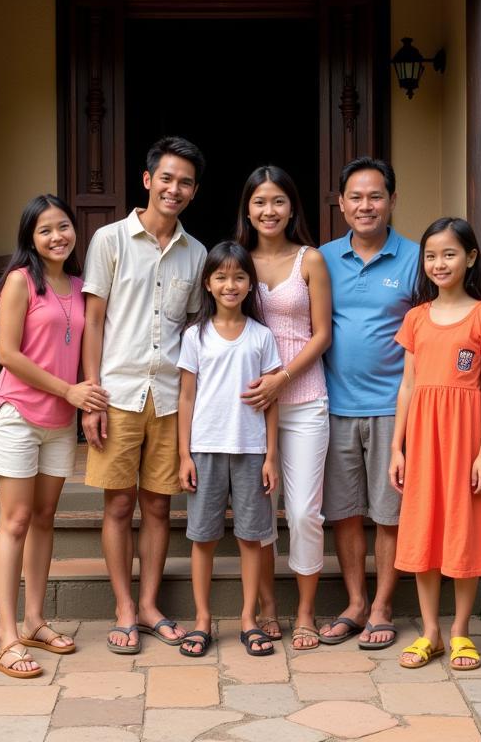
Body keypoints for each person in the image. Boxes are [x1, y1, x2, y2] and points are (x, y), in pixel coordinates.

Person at [81, 136, 207, 654]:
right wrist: (90, 396)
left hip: (170, 397)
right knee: (117, 505)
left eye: (186, 182)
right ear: (147, 179)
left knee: (159, 507)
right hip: (118, 391)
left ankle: (151, 604)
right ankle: (123, 607)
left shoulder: (196, 253)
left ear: (194, 191)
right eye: (167, 178)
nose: (174, 189)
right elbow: (93, 321)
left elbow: (195, 327)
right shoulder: (109, 240)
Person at [0, 194, 109, 678]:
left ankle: (35, 620)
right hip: (18, 413)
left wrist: (82, 400)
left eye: (63, 227)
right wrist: (69, 391)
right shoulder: (19, 282)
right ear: (30, 238)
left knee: (43, 518)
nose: (57, 236)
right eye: (45, 230)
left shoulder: (80, 286)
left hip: (60, 422)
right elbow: (8, 355)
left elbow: (86, 345)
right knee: (14, 521)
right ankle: (5, 636)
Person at [390, 217, 481, 672]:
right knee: (423, 530)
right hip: (422, 440)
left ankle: (460, 632)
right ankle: (430, 633)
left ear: (471, 258)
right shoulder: (416, 318)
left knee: (463, 529)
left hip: (464, 442)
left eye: (449, 253)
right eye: (431, 255)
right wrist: (397, 448)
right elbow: (407, 386)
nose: (439, 263)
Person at [318, 157, 419, 649]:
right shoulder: (321, 258)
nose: (365, 206)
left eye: (375, 196)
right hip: (333, 405)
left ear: (392, 200)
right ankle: (356, 603)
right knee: (344, 511)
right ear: (341, 204)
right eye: (355, 197)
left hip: (392, 409)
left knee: (388, 511)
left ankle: (382, 607)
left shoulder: (418, 258)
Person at [235, 166, 332, 651]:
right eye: (259, 202)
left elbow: (322, 334)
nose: (268, 211)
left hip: (305, 399)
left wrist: (283, 377)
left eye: (277, 201)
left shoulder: (309, 260)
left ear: (292, 207)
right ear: (247, 209)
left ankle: (307, 612)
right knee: (259, 511)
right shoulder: (238, 262)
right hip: (252, 405)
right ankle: (268, 606)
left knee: (303, 511)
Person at [177, 241, 282, 658]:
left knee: (251, 537)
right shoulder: (195, 336)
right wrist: (184, 454)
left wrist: (272, 455)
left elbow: (270, 398)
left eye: (239, 276)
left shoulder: (262, 336)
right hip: (204, 448)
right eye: (221, 276)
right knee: (202, 537)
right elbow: (187, 398)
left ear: (250, 284)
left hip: (252, 449)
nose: (230, 284)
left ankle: (248, 619)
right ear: (208, 283)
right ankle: (202, 620)